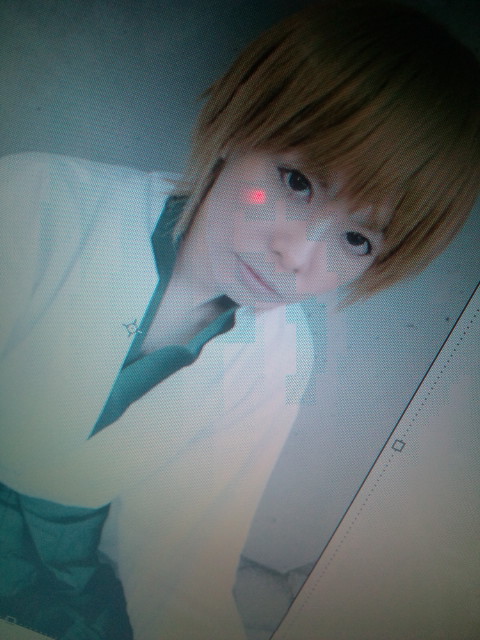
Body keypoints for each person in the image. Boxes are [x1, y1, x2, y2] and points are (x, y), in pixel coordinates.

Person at [0, 1, 479, 639]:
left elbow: (184, 562)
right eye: (297, 182)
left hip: (58, 571)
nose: (297, 256)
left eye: (356, 241)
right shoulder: (36, 206)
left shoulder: (277, 364)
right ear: (241, 122)